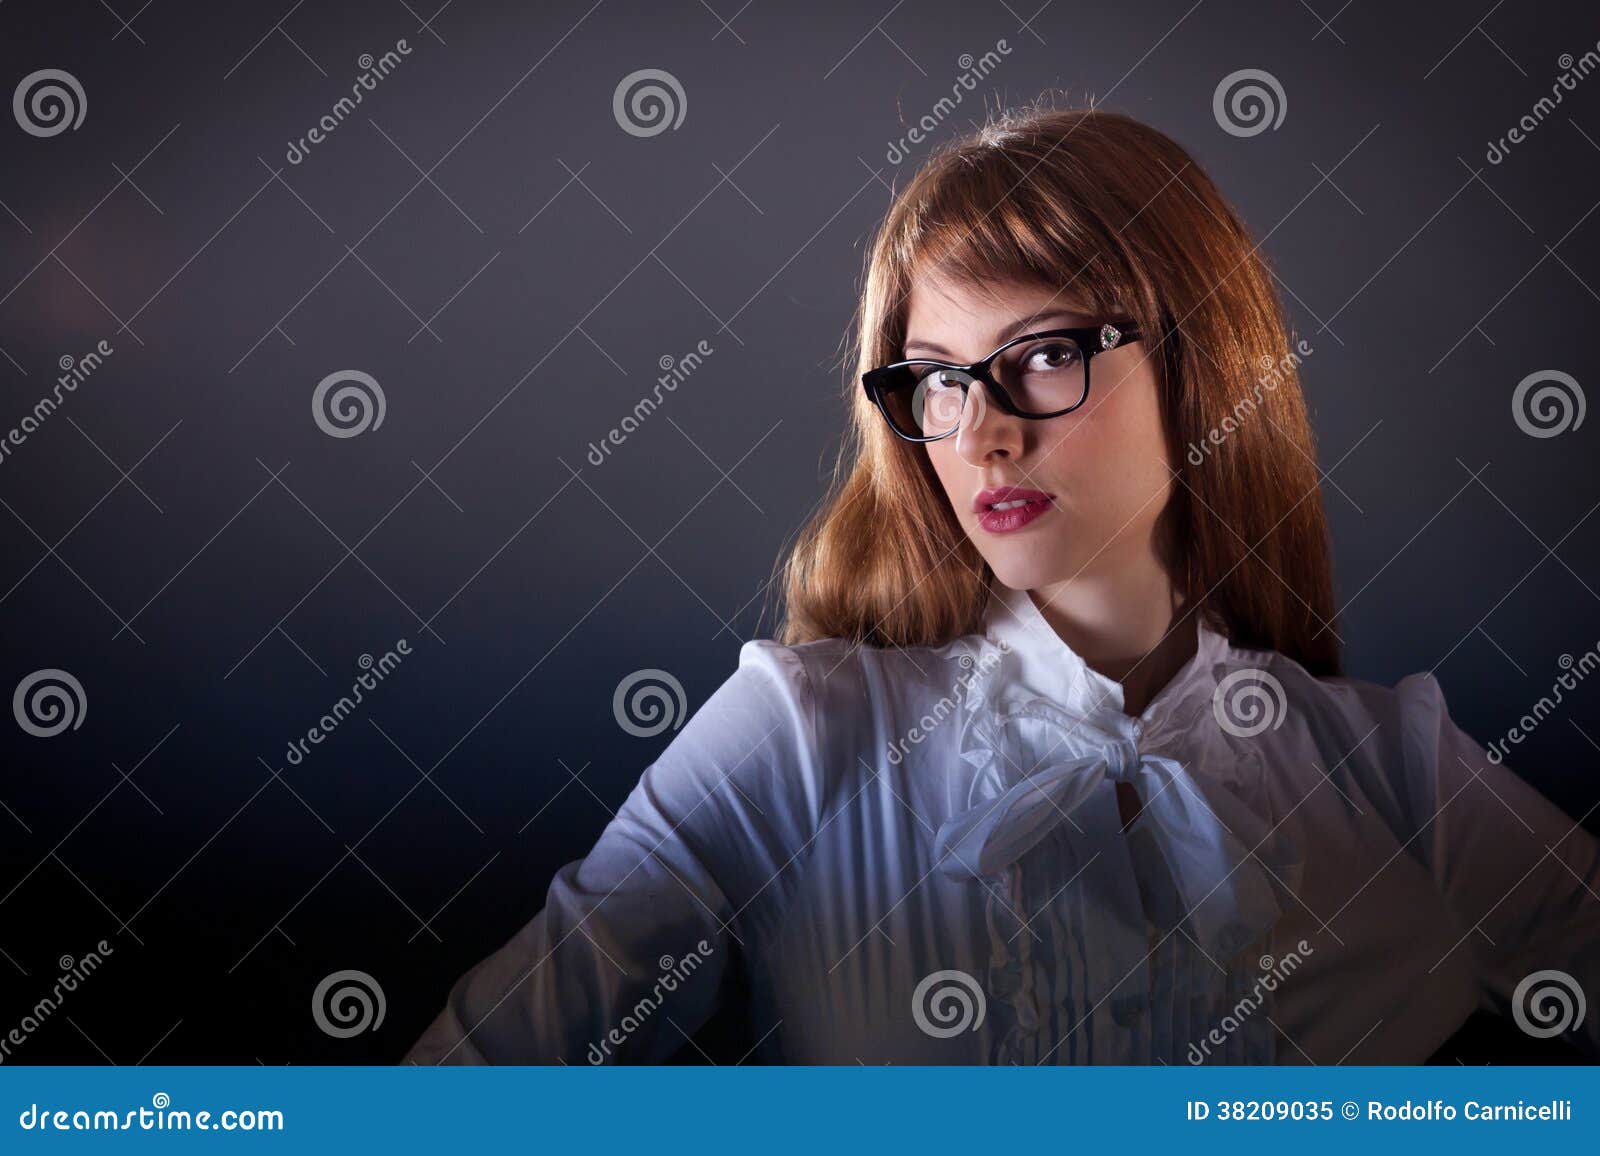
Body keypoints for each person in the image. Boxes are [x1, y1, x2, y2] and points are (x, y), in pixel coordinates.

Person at [406, 102, 1599, 1065]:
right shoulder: (798, 735)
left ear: (1202, 361)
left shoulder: (1392, 767)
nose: (980, 435)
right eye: (936, 379)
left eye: (1043, 353)